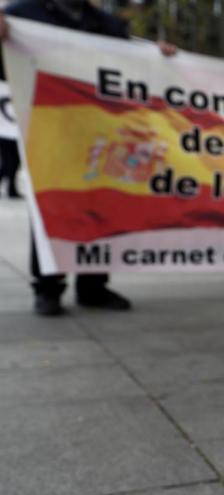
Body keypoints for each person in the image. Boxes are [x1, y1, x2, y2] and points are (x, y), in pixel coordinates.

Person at [0, 0, 176, 316]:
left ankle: (93, 286)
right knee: (52, 205)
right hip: (47, 130)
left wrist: (158, 57)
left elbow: (132, 59)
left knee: (99, 204)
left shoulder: (105, 23)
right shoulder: (20, 15)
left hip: (99, 132)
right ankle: (48, 287)